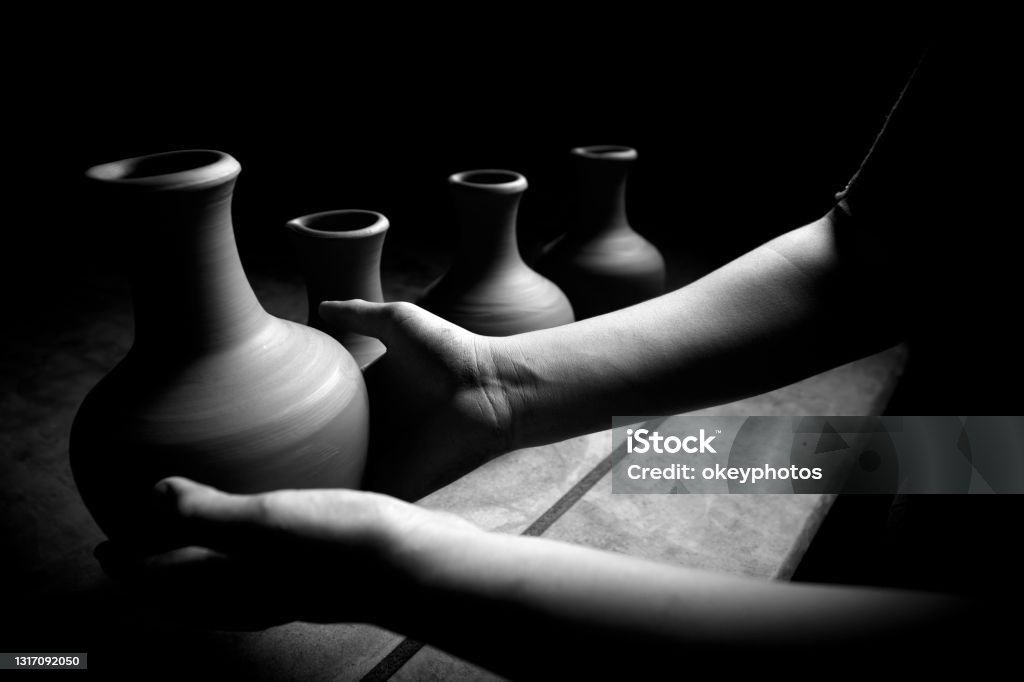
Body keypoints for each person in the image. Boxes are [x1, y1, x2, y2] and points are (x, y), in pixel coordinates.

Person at [96, 40, 1019, 675]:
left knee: (676, 468)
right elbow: (874, 252)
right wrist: (506, 386)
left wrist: (418, 574)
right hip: (982, 452)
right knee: (708, 465)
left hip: (977, 511)